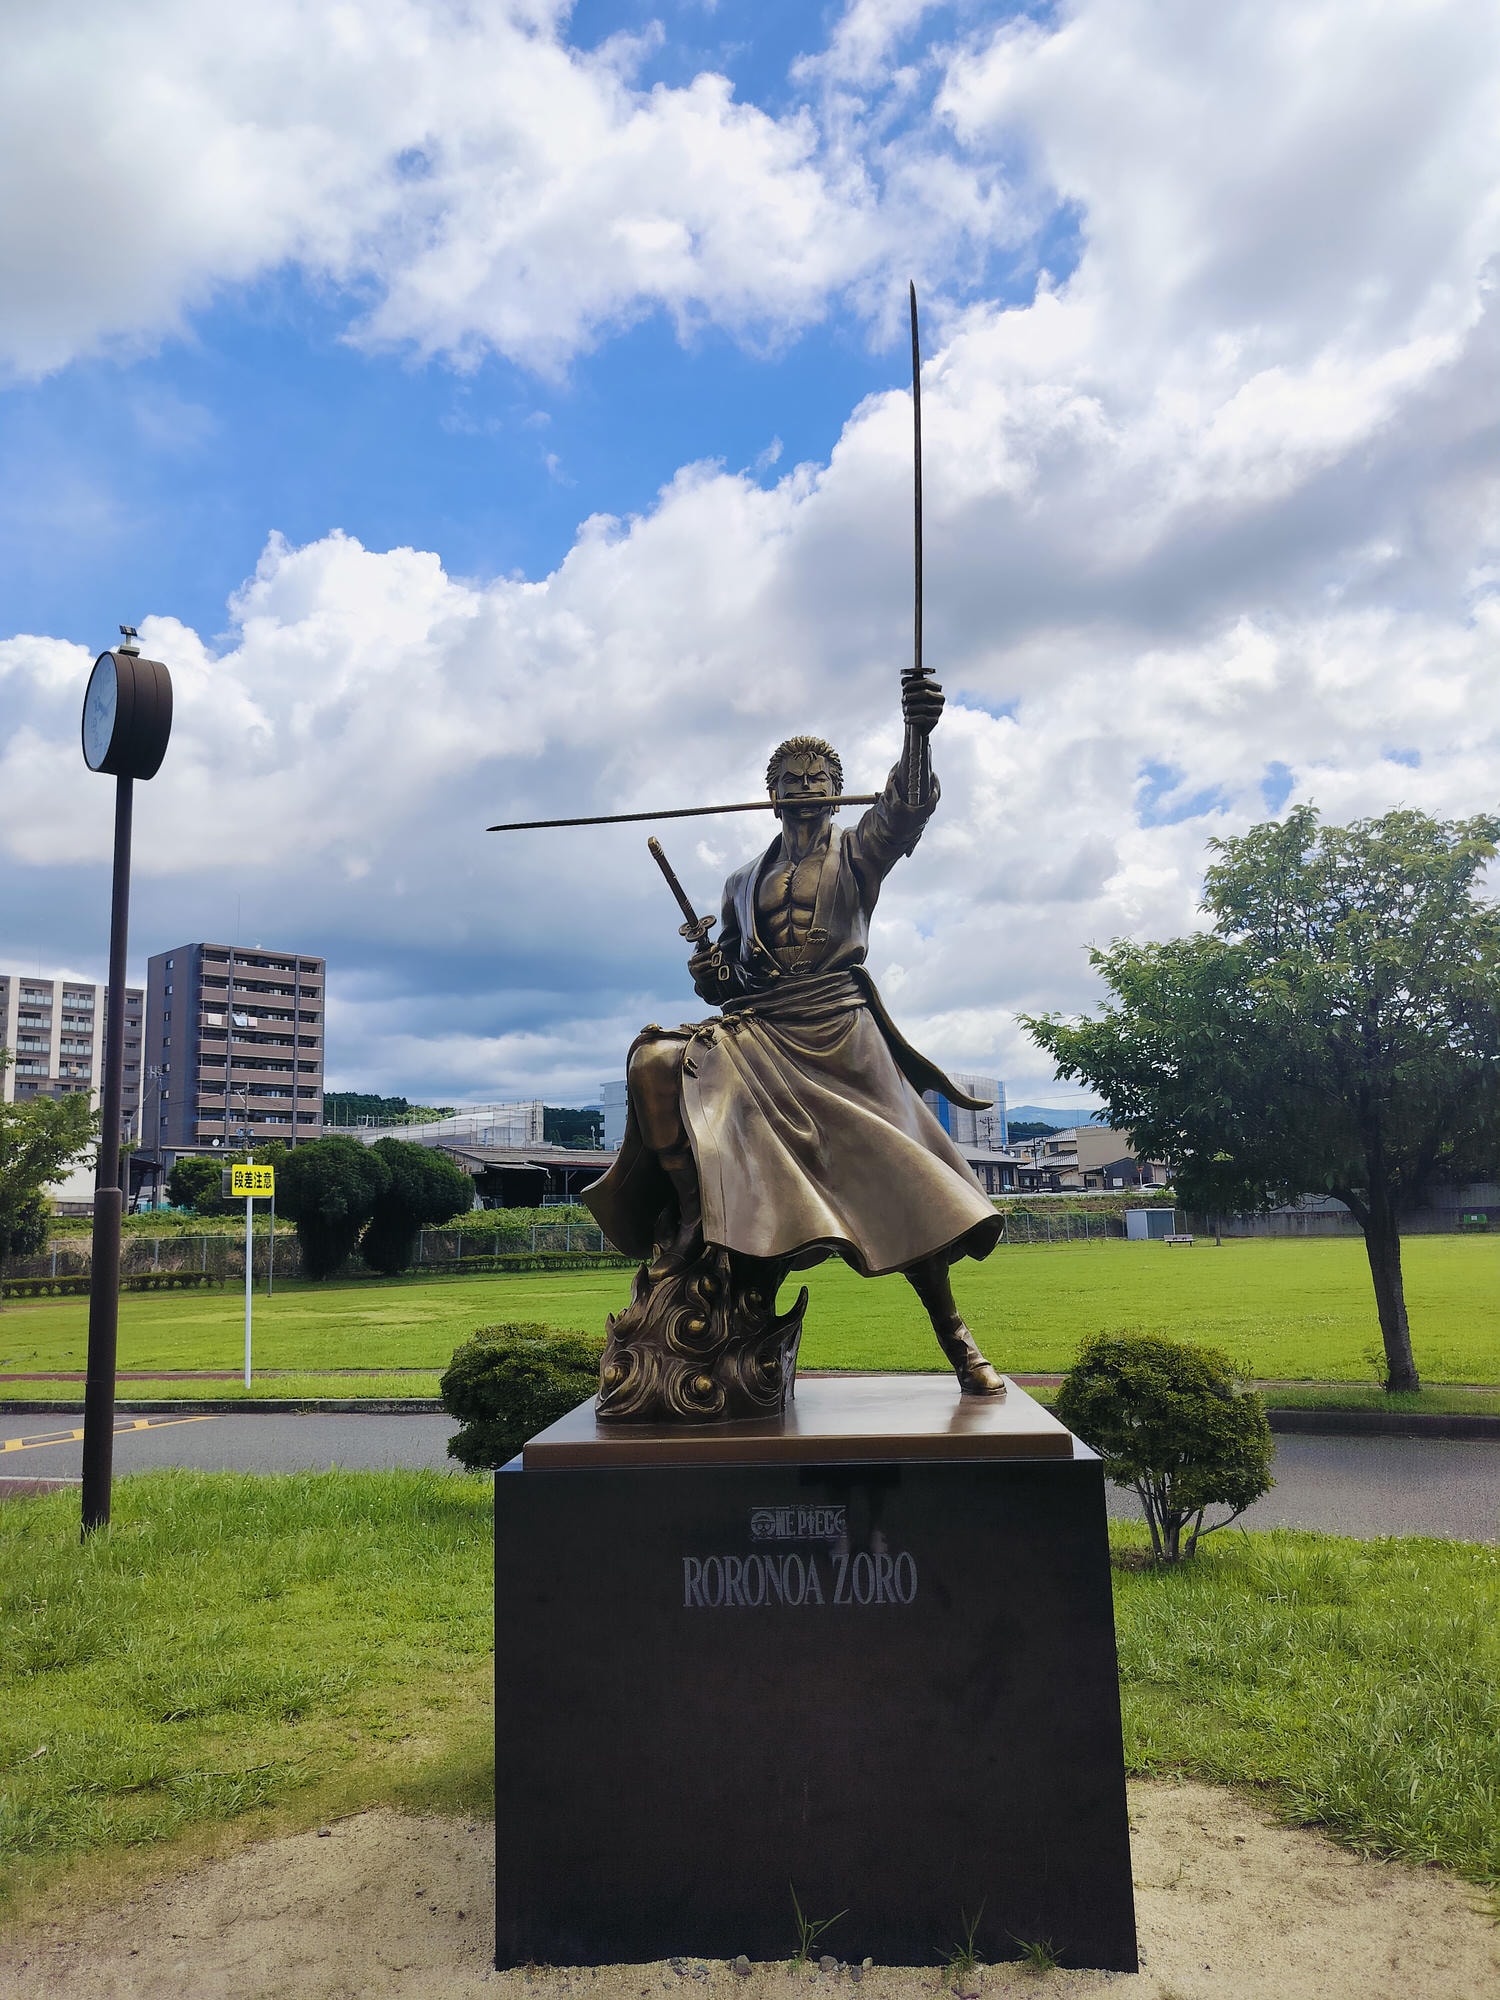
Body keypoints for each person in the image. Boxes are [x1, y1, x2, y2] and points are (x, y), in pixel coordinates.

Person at [583, 667, 1005, 1394]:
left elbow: (905, 807)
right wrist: (709, 969)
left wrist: (919, 730)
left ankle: (956, 1335)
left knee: (902, 1186)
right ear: (771, 792)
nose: (805, 784)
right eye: (790, 775)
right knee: (653, 1061)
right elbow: (731, 987)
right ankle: (691, 1218)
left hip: (839, 1032)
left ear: (837, 787)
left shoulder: (858, 851)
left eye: (818, 774)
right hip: (763, 1030)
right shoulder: (742, 879)